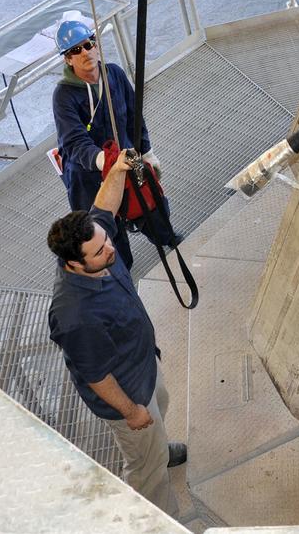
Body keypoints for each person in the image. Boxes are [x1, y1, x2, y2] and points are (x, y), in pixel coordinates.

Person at [47, 149, 186, 514]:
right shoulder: (75, 315)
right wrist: (131, 412)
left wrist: (119, 170)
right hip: (126, 392)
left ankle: (159, 446)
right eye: (99, 251)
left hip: (144, 367)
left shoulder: (94, 240)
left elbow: (103, 207)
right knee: (146, 470)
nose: (111, 247)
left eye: (106, 241)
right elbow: (96, 375)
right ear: (74, 263)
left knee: (163, 403)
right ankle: (159, 521)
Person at [52, 20, 156, 271]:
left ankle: (164, 237)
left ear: (96, 45)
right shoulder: (64, 96)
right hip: (88, 176)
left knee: (150, 202)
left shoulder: (114, 74)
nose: (86, 52)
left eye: (89, 44)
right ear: (67, 59)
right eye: (76, 50)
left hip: (127, 156)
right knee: (104, 226)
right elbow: (75, 141)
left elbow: (134, 114)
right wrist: (104, 162)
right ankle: (121, 269)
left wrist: (146, 150)